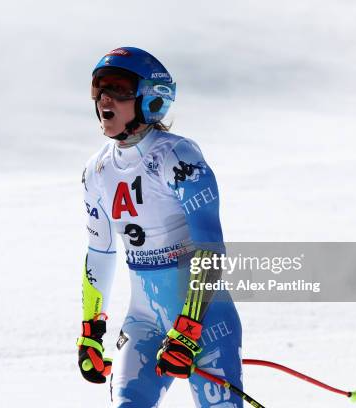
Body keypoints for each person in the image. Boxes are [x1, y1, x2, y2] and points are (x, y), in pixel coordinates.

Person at [77, 46, 243, 408]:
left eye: (118, 87)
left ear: (150, 100)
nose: (105, 97)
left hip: (206, 321)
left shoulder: (177, 157)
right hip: (144, 322)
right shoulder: (97, 171)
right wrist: (91, 329)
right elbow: (100, 252)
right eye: (99, 87)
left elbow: (210, 246)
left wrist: (189, 326)